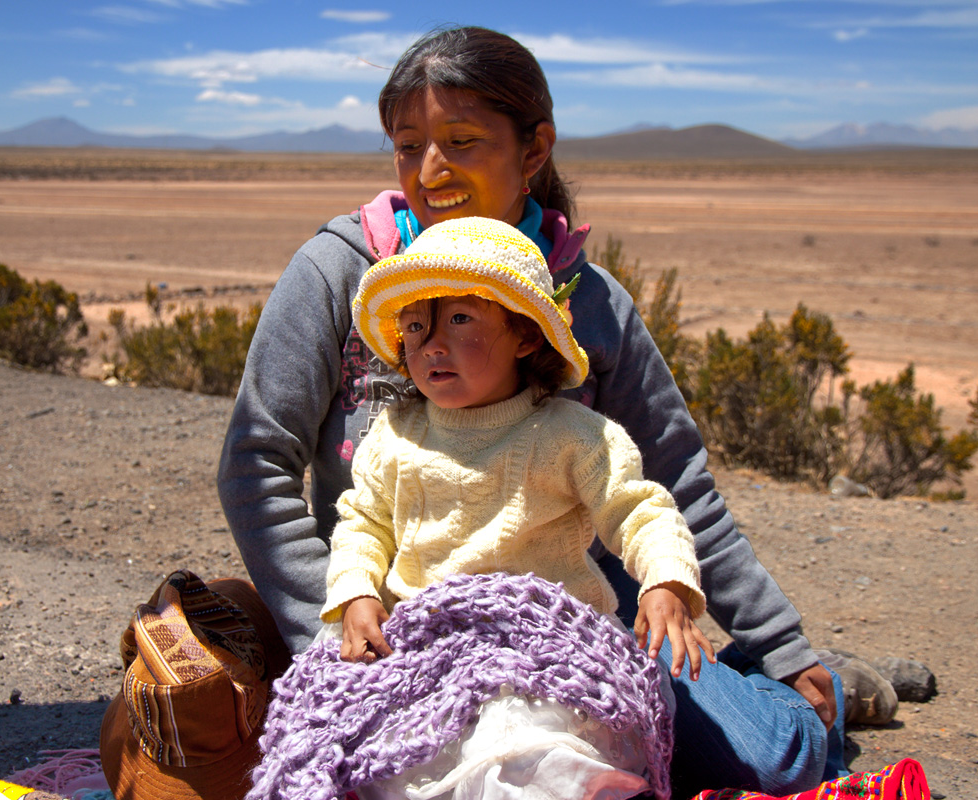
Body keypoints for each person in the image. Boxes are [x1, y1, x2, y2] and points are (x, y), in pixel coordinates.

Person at [217, 24, 895, 795]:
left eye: (462, 141)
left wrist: (782, 647)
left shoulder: (592, 300)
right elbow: (255, 466)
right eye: (409, 147)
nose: (430, 170)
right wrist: (336, 633)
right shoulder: (343, 273)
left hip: (573, 624)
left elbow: (676, 486)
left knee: (767, 758)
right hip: (402, 620)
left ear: (533, 150)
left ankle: (791, 687)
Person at [324, 215, 713, 686]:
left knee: (533, 736)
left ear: (526, 336)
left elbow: (641, 512)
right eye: (414, 326)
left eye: (460, 318)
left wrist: (666, 579)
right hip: (423, 646)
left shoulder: (572, 437)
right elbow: (364, 524)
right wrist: (356, 593)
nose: (430, 346)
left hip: (552, 646)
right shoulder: (394, 436)